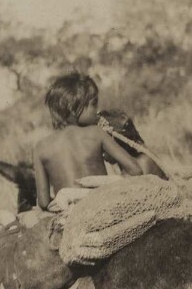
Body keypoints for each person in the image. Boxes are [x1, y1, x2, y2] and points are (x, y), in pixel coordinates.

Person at [33, 73, 143, 211]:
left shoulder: (40, 147)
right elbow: (136, 170)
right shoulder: (95, 133)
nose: (97, 111)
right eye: (94, 103)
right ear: (73, 108)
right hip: (103, 207)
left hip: (71, 214)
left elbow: (43, 202)